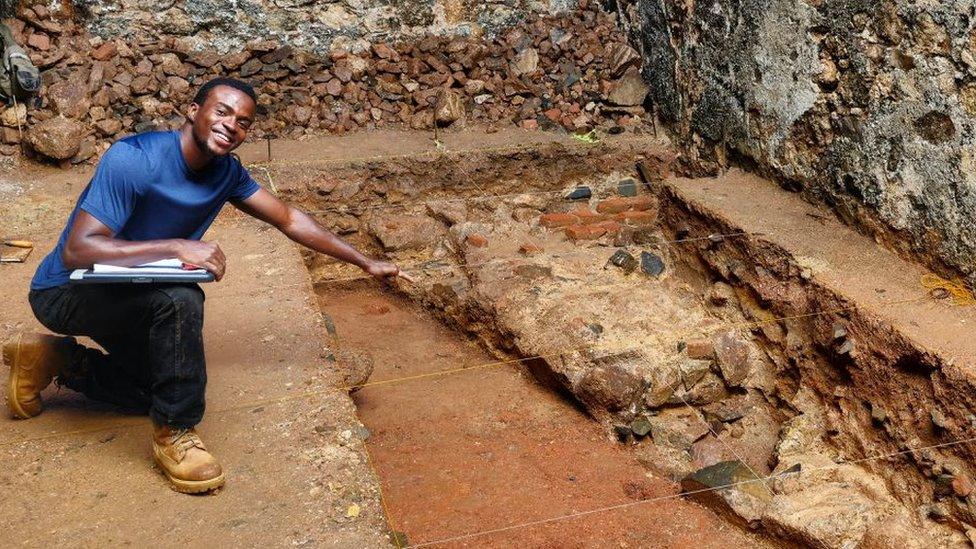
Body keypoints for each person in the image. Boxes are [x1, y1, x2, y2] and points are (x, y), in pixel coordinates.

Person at [4, 77, 400, 493]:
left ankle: (53, 358)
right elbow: (79, 250)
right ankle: (175, 434)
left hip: (130, 292)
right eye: (223, 111)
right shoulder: (134, 159)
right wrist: (178, 246)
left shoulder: (226, 173)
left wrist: (366, 261)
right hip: (64, 293)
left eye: (243, 122)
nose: (232, 125)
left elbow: (288, 218)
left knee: (157, 386)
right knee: (181, 298)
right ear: (194, 111)